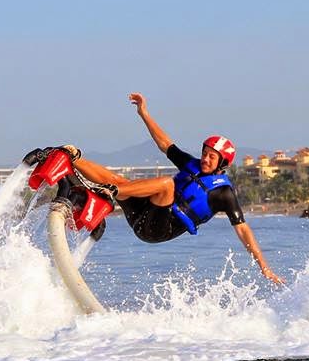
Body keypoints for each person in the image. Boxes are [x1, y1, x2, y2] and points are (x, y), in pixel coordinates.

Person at [58, 92, 285, 285]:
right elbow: (165, 144)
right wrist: (144, 113)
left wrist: (263, 267)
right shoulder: (191, 165)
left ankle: (110, 192)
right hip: (144, 211)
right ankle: (71, 158)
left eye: (211, 157)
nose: (205, 159)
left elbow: (244, 230)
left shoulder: (223, 193)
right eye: (204, 153)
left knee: (166, 184)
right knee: (118, 179)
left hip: (158, 229)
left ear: (222, 164)